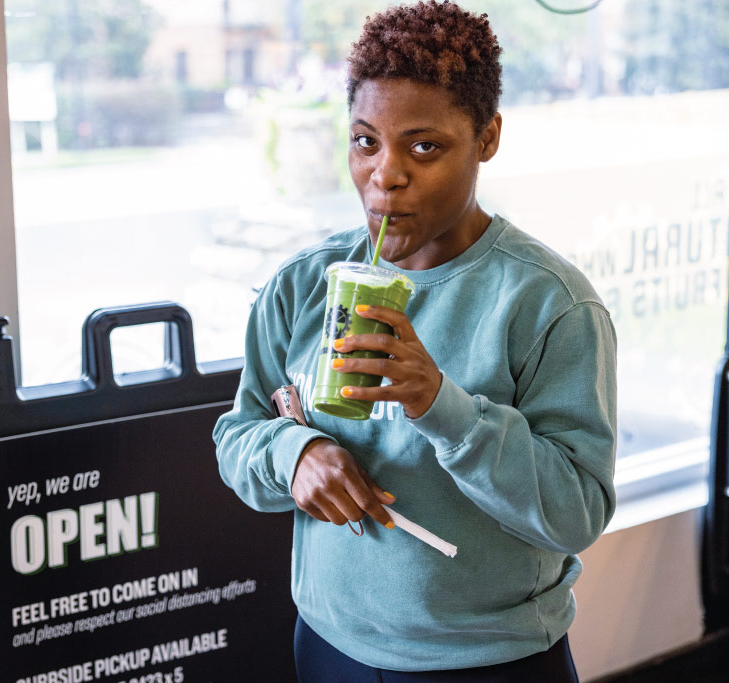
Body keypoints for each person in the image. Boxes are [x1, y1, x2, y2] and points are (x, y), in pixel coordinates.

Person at [212, 2, 617, 681]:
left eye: (423, 146)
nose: (385, 174)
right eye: (365, 141)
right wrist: (294, 451)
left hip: (492, 660)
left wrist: (441, 404)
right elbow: (238, 434)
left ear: (487, 138)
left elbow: (576, 512)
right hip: (328, 645)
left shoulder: (549, 303)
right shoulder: (302, 285)